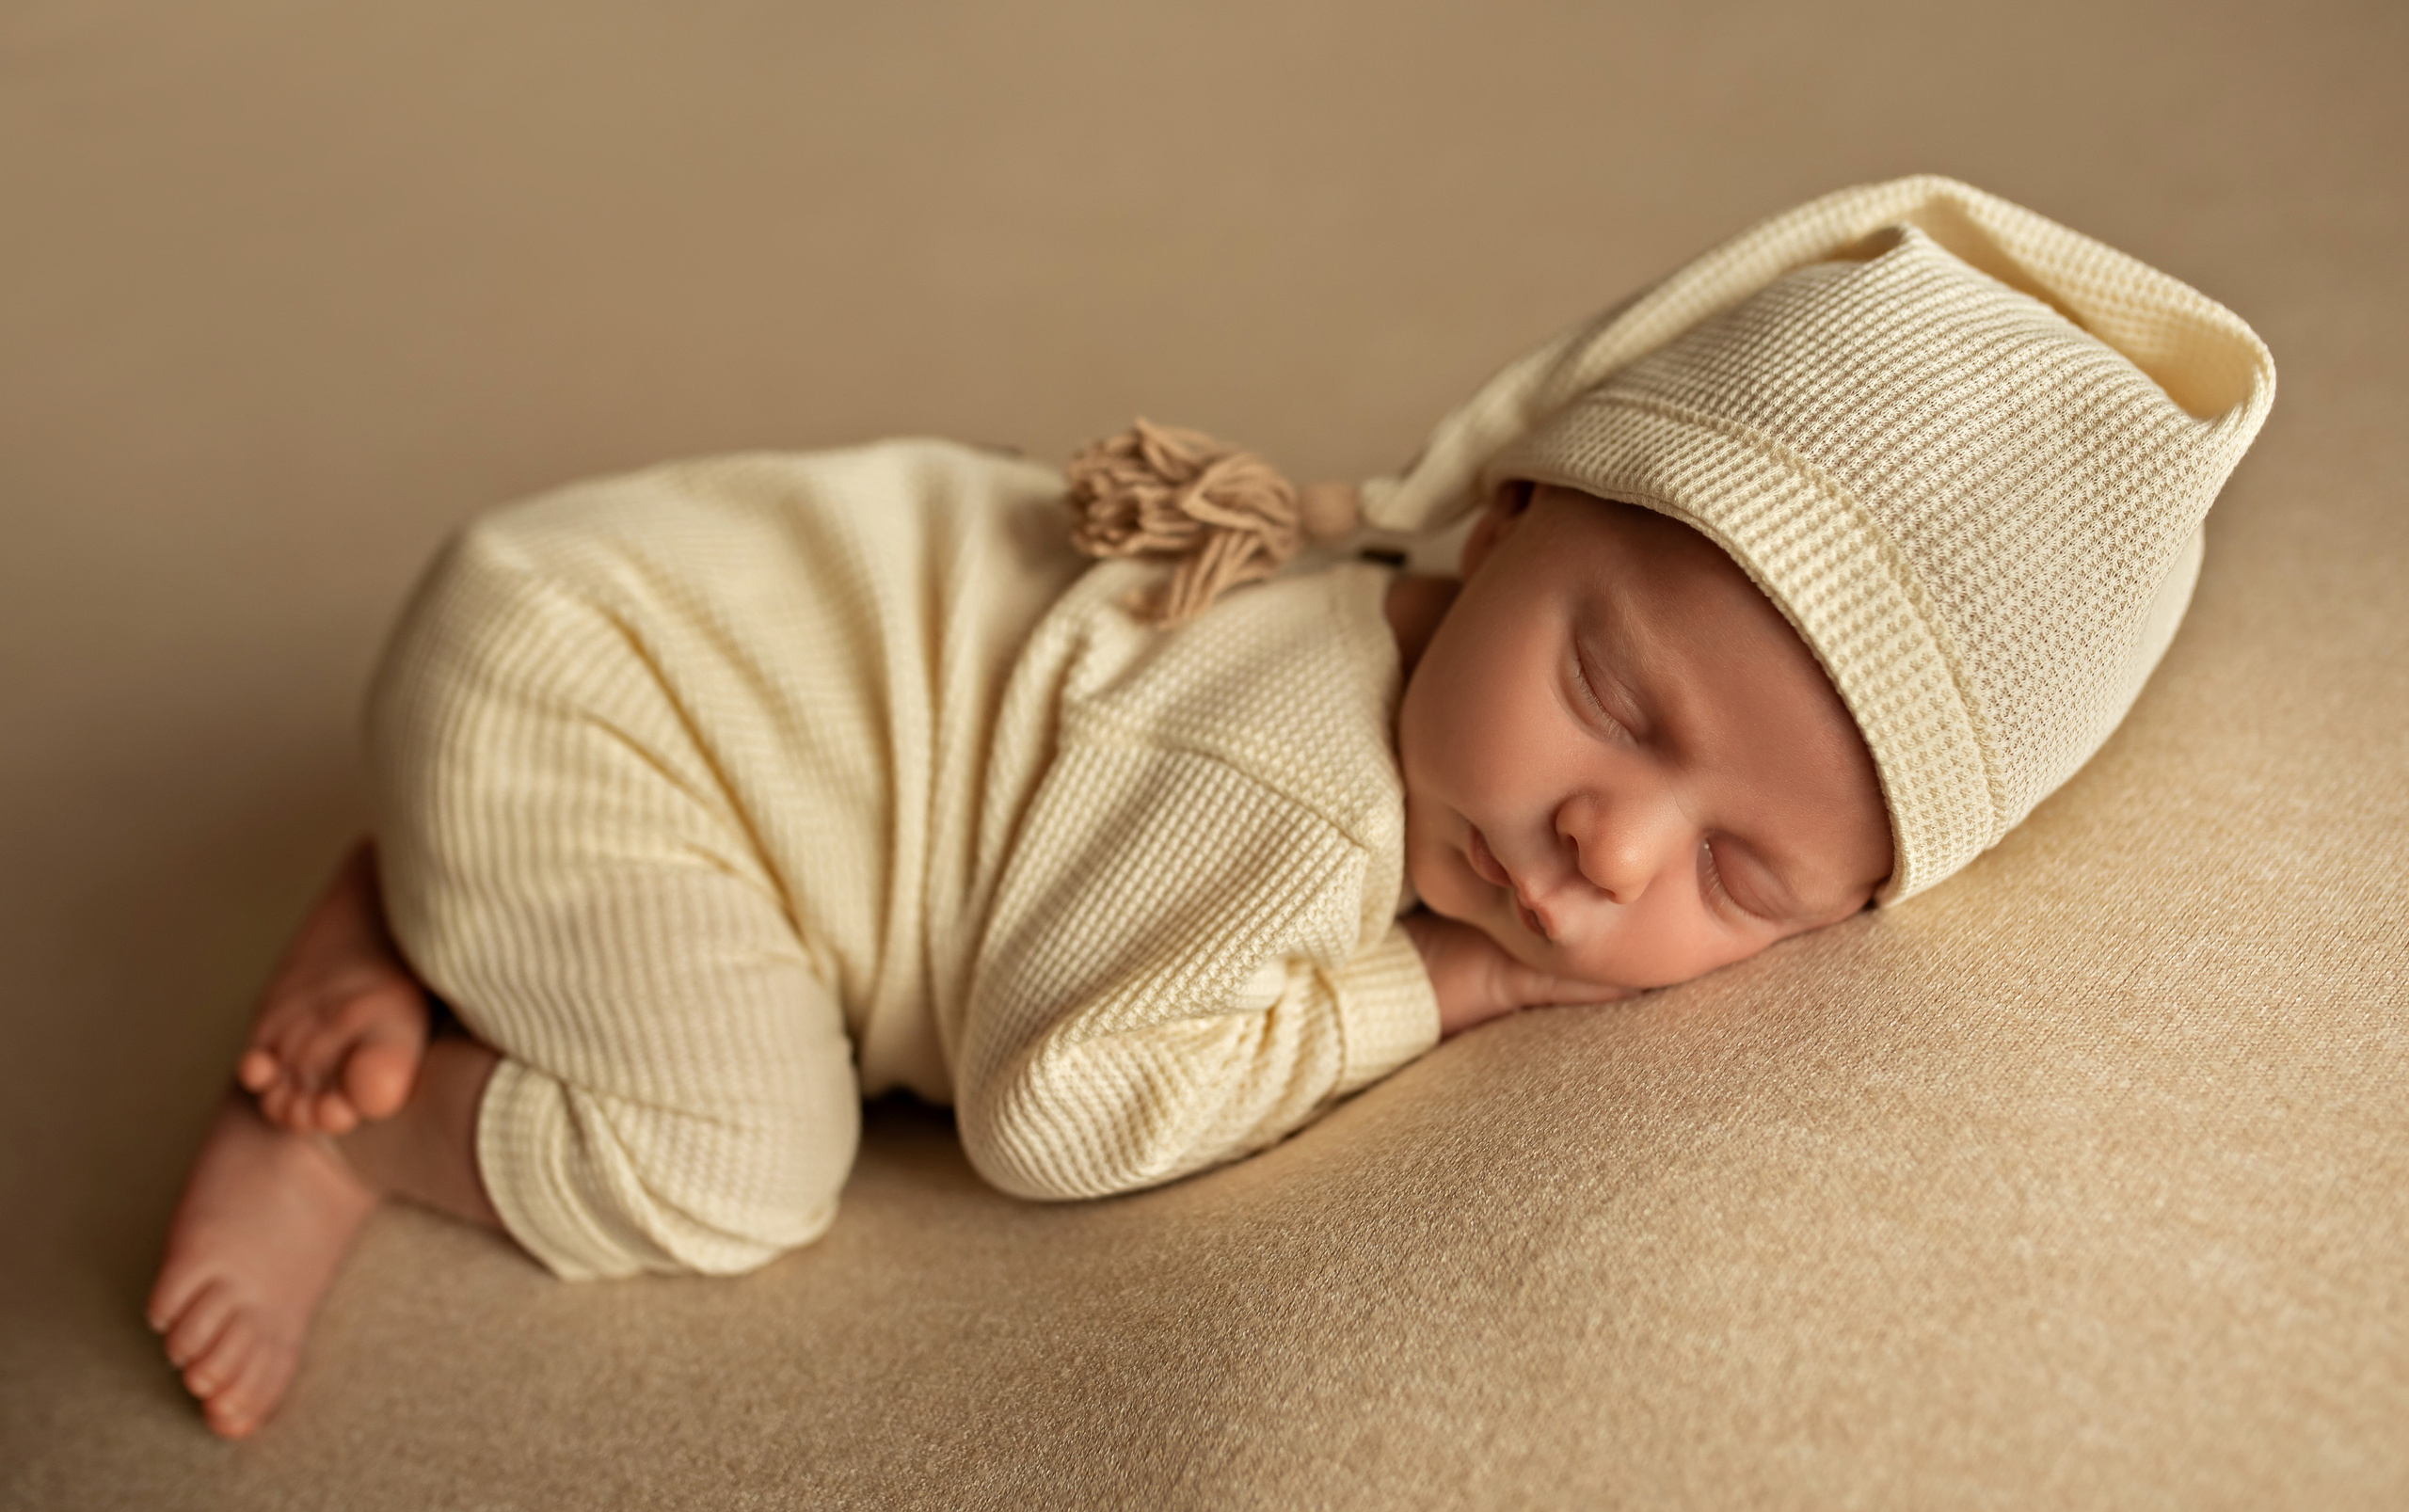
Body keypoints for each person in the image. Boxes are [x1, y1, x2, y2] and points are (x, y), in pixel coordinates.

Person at [147, 176, 2275, 1439]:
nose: (1598, 850)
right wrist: (1426, 997)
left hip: (602, 641)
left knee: (683, 967)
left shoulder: (1395, 639)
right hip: (606, 699)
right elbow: (1050, 1112)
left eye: (1740, 875)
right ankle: (350, 1127)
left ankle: (433, 896)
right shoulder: (1290, 769)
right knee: (736, 1164)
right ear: (1512, 510)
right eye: (1607, 694)